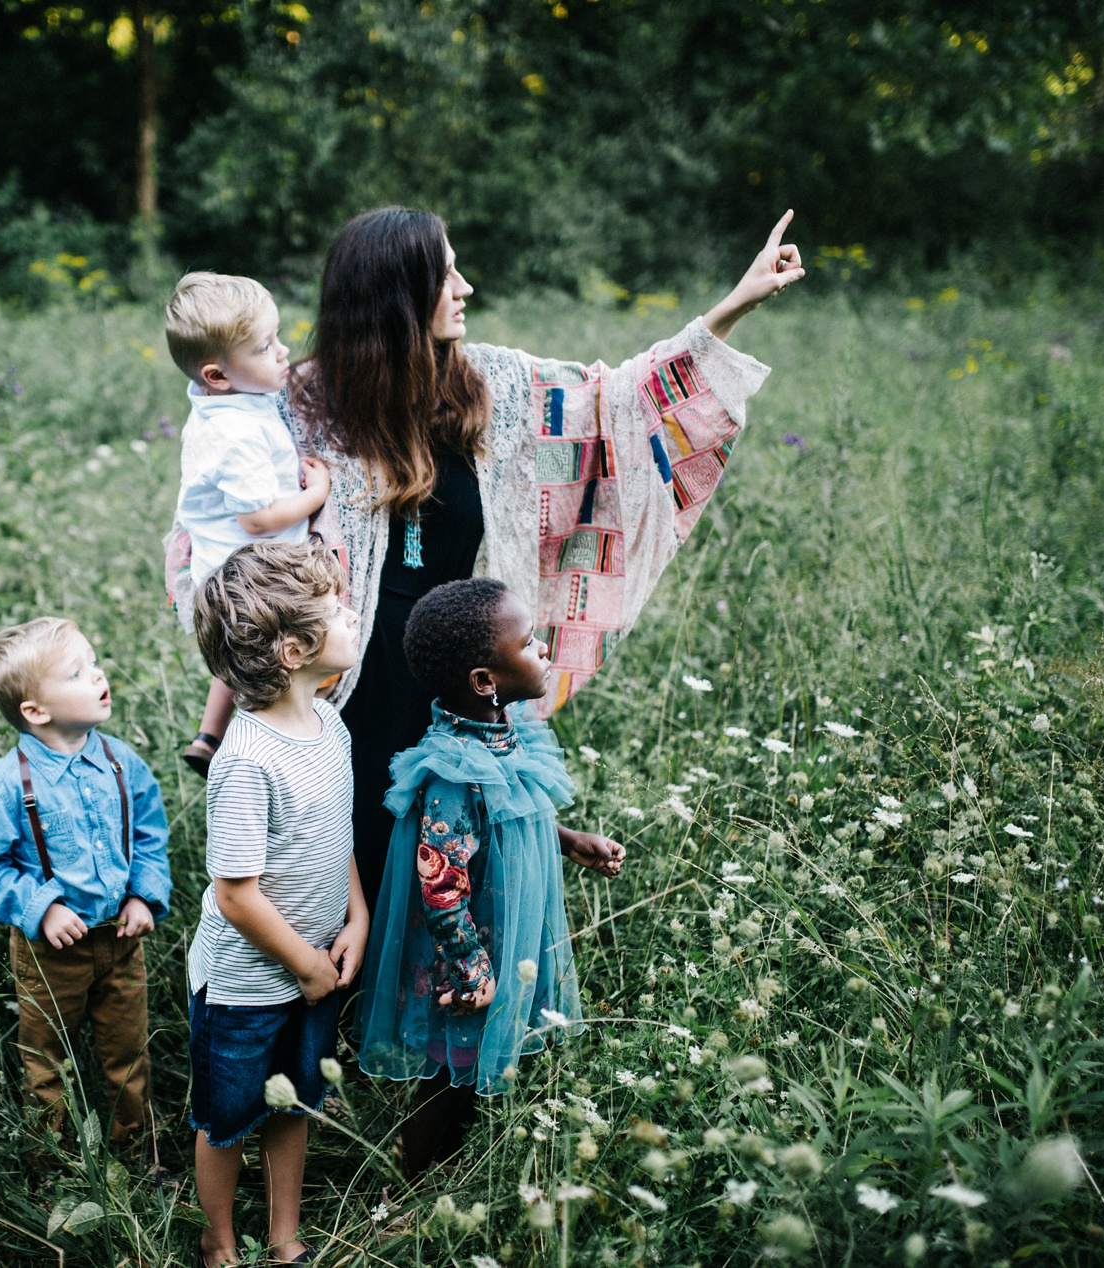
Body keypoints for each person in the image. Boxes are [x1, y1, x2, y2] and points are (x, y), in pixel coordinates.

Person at [287, 206, 805, 911]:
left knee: (440, 872)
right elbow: (223, 509)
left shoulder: (485, 386)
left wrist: (735, 303)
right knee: (335, 861)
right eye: (445, 275)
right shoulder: (302, 404)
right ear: (396, 294)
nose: (465, 287)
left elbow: (620, 398)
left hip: (445, 670)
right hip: (341, 676)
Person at [357, 577, 593, 1177]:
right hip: (468, 947)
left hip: (504, 928)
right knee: (449, 1073)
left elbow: (510, 820)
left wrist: (568, 841)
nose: (543, 651)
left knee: (474, 1062)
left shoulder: (509, 736)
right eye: (530, 643)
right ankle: (405, 1189)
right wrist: (474, 963)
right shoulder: (454, 774)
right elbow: (441, 886)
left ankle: (452, 1171)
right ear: (485, 682)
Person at [185, 540, 370, 1267]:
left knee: (290, 1106)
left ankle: (284, 1233)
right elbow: (236, 896)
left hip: (315, 964)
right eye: (337, 609)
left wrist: (355, 916)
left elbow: (335, 835)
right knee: (227, 1120)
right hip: (248, 986)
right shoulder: (246, 758)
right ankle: (219, 1240)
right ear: (295, 649)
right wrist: (304, 965)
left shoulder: (334, 728)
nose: (352, 614)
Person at [0, 617, 172, 1152]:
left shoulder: (122, 764)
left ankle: (137, 1154)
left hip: (121, 941)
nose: (98, 675)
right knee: (46, 1059)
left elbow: (148, 834)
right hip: (52, 952)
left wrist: (143, 893)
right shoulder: (6, 786)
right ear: (35, 711)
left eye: (94, 662)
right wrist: (41, 906)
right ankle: (54, 1164)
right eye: (77, 672)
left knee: (129, 1054)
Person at [163, 272, 333, 777]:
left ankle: (208, 736)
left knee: (236, 663)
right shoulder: (235, 433)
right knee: (274, 669)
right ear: (216, 374)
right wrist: (315, 495)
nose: (282, 353)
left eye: (277, 338)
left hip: (229, 571)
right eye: (264, 348)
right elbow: (257, 518)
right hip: (253, 575)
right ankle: (262, 755)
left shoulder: (224, 402)